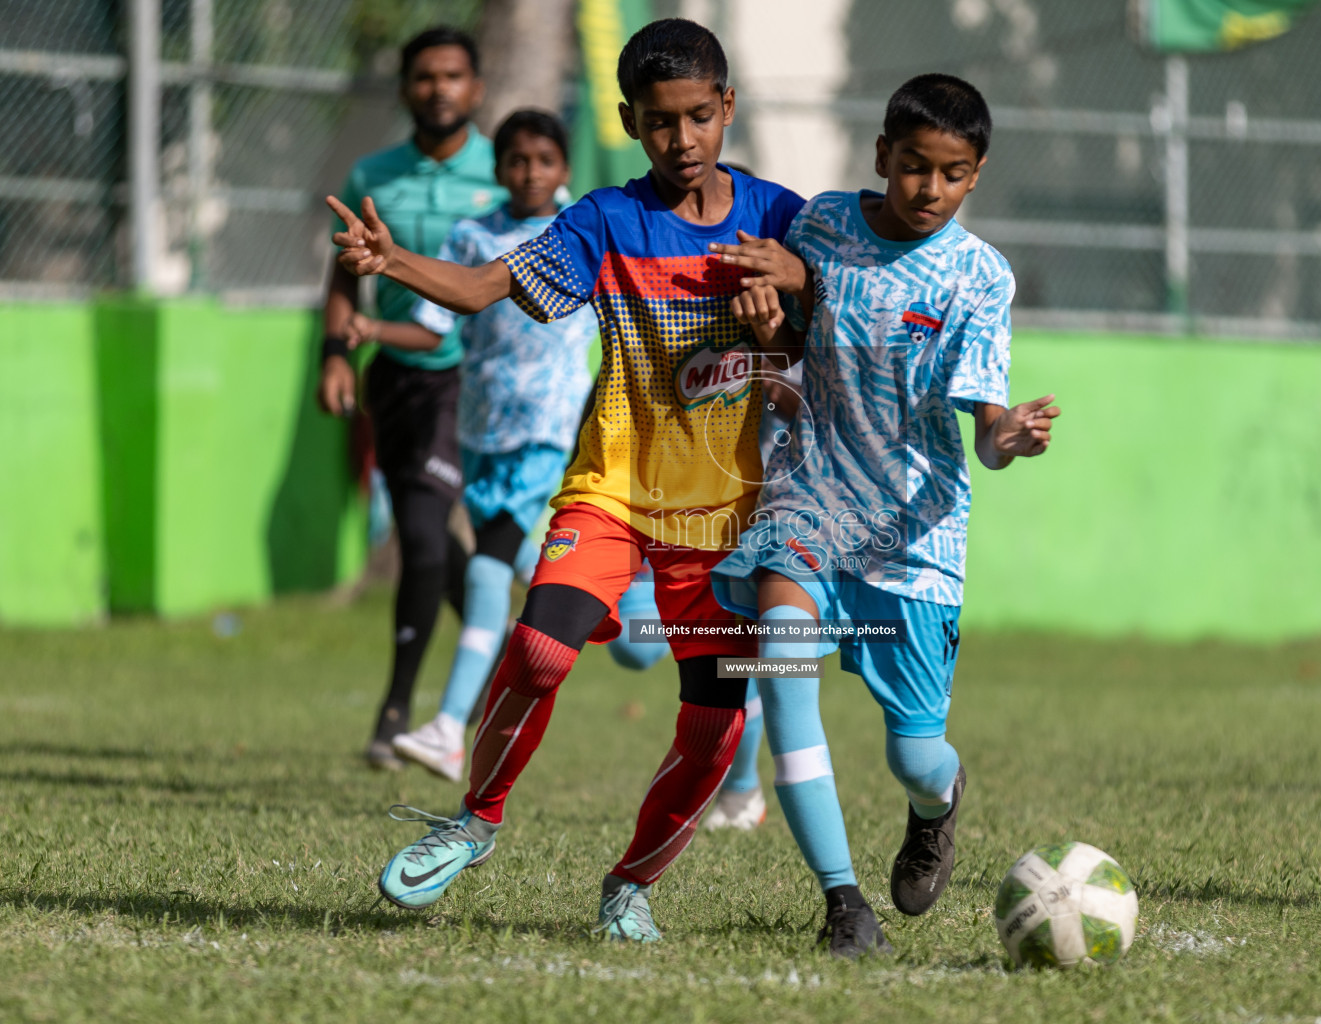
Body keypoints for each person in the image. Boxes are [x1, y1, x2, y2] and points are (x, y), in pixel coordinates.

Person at [328, 19, 810, 944]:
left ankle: (630, 884)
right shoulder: (601, 221)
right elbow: (479, 290)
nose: (683, 141)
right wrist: (390, 263)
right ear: (630, 121)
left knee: (713, 724)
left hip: (725, 522)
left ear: (728, 109)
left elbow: (816, 351)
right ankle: (475, 819)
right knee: (543, 650)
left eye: (700, 118)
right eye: (661, 122)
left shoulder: (784, 219)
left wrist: (782, 307)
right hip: (611, 491)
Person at [709, 73, 1061, 956]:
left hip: (914, 536)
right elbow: (786, 326)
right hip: (809, 505)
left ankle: (935, 805)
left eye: (950, 173)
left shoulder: (980, 276)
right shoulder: (823, 222)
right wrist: (774, 296)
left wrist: (1007, 435)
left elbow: (982, 425)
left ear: (975, 175)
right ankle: (842, 904)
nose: (928, 189)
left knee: (916, 755)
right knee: (782, 680)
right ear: (881, 156)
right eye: (912, 167)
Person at [317, 27, 505, 770]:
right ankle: (495, 664)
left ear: (476, 88)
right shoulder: (375, 173)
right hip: (396, 374)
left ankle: (398, 711)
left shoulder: (511, 169)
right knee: (432, 541)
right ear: (404, 90)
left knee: (425, 541)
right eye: (424, 77)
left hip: (472, 380)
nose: (439, 89)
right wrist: (335, 352)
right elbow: (344, 274)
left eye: (453, 75)